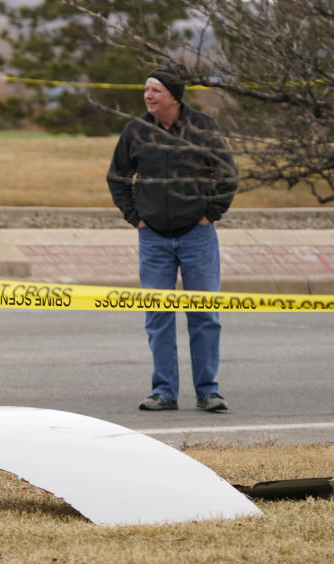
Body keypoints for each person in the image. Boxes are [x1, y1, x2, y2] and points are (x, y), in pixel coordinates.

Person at [107, 67, 237, 412]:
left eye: (156, 90)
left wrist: (210, 213)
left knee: (205, 314)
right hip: (154, 240)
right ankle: (164, 392)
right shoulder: (136, 130)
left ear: (174, 96)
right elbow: (118, 178)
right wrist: (136, 218)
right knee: (157, 316)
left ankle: (208, 391)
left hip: (197, 235)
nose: (149, 96)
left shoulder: (202, 127)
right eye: (146, 89)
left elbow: (227, 174)